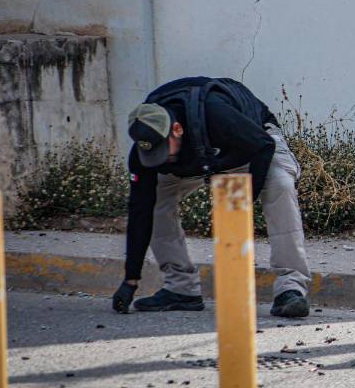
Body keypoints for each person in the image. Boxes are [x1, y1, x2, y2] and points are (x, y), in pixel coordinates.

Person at [110, 77, 311, 318]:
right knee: (154, 201)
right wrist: (130, 279)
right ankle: (180, 289)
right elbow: (139, 210)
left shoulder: (216, 115)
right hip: (204, 159)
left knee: (280, 184)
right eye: (153, 154)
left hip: (252, 143)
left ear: (177, 129)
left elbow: (262, 146)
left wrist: (244, 206)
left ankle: (290, 288)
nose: (159, 159)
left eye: (164, 151)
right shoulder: (147, 150)